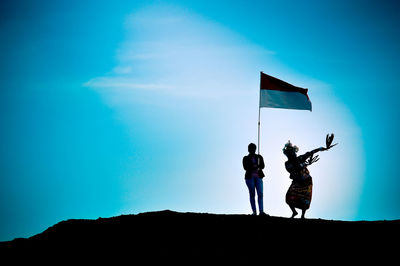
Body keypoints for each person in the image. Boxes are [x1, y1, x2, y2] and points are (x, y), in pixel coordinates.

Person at [283, 136, 336, 219]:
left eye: (291, 153)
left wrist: (321, 148)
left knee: (305, 197)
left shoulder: (300, 158)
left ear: (293, 153)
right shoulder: (287, 163)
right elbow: (292, 170)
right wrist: (303, 165)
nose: (290, 155)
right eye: (288, 153)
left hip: (306, 180)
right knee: (288, 197)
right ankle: (294, 212)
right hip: (297, 181)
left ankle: (303, 215)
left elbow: (310, 153)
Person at [242, 143, 267, 216]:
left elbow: (262, 166)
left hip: (258, 176)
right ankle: (254, 212)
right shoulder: (245, 158)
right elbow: (245, 167)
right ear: (248, 149)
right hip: (250, 178)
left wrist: (258, 165)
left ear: (255, 149)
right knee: (252, 194)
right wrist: (255, 166)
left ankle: (261, 211)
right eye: (250, 148)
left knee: (260, 193)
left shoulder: (259, 157)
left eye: (253, 148)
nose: (252, 149)